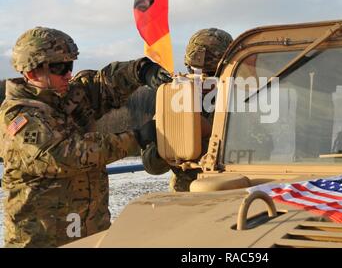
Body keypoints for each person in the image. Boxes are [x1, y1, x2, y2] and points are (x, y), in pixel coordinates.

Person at [0, 26, 171, 247]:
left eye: (70, 65)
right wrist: (136, 137)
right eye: (60, 67)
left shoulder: (67, 96)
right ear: (32, 72)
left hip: (91, 234)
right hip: (45, 241)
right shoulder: (18, 118)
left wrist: (141, 70)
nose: (68, 74)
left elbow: (105, 83)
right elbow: (63, 156)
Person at [141, 28, 233, 192]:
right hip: (185, 198)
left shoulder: (243, 100)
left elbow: (258, 154)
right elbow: (152, 166)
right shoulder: (179, 98)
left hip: (231, 192)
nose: (201, 79)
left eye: (210, 73)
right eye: (194, 71)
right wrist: (162, 139)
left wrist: (208, 133)